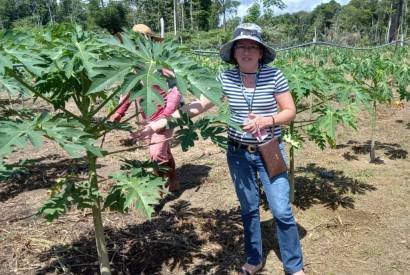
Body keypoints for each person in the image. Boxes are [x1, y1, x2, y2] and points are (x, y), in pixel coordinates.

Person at [133, 23, 305, 275]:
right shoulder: (224, 78)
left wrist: (266, 120)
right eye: (241, 47)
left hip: (269, 150)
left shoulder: (274, 76)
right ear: (234, 53)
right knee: (248, 209)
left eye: (252, 46)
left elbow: (289, 111)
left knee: (281, 210)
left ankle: (294, 266)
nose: (246, 51)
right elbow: (198, 106)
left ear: (260, 52)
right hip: (238, 153)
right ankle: (254, 259)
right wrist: (161, 122)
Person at [111, 24, 182, 192]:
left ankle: (155, 188)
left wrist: (166, 116)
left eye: (141, 42)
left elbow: (175, 90)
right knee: (162, 151)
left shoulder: (162, 65)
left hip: (166, 116)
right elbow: (128, 91)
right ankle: (173, 180)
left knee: (156, 154)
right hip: (147, 117)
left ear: (150, 42)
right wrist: (119, 112)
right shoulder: (134, 67)